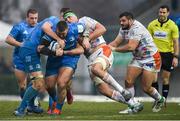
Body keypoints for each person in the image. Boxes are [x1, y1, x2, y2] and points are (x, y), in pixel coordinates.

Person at [63, 10, 143, 113]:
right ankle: (133, 104)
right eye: (65, 19)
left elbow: (102, 29)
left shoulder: (84, 20)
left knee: (96, 68)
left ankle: (122, 90)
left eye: (69, 16)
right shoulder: (71, 34)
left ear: (75, 16)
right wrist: (65, 51)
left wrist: (87, 38)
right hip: (91, 59)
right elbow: (80, 50)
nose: (68, 19)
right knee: (103, 90)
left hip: (102, 51)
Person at [109, 12, 165, 113]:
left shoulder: (137, 28)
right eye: (120, 21)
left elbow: (131, 47)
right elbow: (116, 42)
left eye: (123, 21)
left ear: (130, 20)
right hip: (138, 58)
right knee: (128, 81)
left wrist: (114, 49)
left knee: (146, 88)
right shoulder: (123, 29)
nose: (121, 23)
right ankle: (133, 105)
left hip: (151, 58)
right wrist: (105, 48)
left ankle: (160, 99)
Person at [13, 15, 65, 116]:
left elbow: (40, 47)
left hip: (31, 50)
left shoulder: (53, 26)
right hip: (29, 50)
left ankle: (31, 106)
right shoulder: (54, 20)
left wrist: (54, 51)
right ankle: (20, 109)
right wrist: (58, 40)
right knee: (39, 83)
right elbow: (44, 28)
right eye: (67, 18)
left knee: (36, 82)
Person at [43, 20, 86, 115]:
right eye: (59, 34)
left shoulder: (75, 28)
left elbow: (85, 27)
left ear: (68, 29)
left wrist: (86, 38)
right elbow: (40, 48)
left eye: (64, 34)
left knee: (61, 83)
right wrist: (53, 52)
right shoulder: (51, 32)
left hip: (70, 58)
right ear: (56, 30)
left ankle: (58, 109)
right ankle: (56, 99)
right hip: (53, 59)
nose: (62, 36)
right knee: (49, 86)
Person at [5, 9, 42, 113]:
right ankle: (28, 105)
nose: (34, 20)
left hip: (34, 60)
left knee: (37, 82)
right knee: (22, 86)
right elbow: (8, 39)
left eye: (36, 18)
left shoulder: (40, 28)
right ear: (27, 18)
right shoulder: (20, 27)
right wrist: (21, 44)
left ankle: (30, 105)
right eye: (31, 18)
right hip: (20, 59)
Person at [148, 5, 179, 106]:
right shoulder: (152, 24)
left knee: (165, 78)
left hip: (168, 55)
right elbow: (148, 40)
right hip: (155, 54)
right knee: (154, 79)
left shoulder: (173, 26)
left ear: (168, 13)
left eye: (164, 12)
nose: (161, 14)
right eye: (160, 12)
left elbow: (176, 42)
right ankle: (157, 99)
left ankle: (164, 100)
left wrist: (176, 57)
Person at [45, 8, 74, 115]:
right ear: (59, 17)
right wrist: (56, 45)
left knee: (63, 83)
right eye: (62, 17)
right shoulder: (53, 26)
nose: (64, 19)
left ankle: (68, 92)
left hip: (67, 59)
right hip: (54, 58)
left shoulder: (73, 28)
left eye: (66, 17)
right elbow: (44, 28)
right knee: (50, 85)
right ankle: (51, 105)